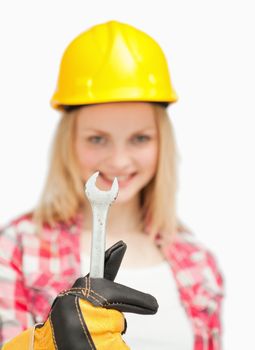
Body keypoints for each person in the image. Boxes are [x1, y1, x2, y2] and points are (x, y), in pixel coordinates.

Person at [0, 20, 224, 349]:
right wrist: (49, 343)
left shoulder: (198, 263)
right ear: (70, 142)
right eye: (97, 139)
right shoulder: (16, 248)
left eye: (140, 138)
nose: (119, 160)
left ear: (162, 142)